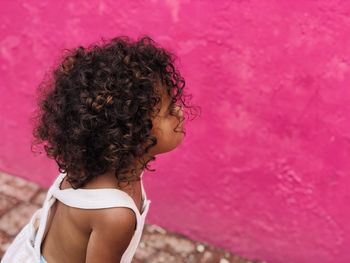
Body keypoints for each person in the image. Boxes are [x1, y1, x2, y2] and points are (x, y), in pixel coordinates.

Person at [2, 35, 196, 263]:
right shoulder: (115, 216)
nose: (180, 112)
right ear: (132, 132)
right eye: (168, 111)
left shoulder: (98, 164)